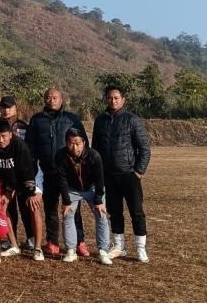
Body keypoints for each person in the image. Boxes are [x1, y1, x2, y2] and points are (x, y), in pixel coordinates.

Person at [92, 85, 152, 263]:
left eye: (116, 98)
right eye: (110, 97)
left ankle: (140, 248)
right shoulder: (100, 121)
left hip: (128, 174)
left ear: (123, 100)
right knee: (115, 212)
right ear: (106, 99)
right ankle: (119, 246)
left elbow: (145, 148)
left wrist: (138, 171)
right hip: (108, 176)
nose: (113, 100)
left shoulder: (132, 120)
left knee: (137, 212)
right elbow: (95, 150)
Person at [27, 87, 88, 256]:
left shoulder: (71, 119)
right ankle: (52, 242)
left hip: (69, 172)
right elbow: (30, 146)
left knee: (73, 209)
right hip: (47, 171)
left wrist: (80, 166)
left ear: (61, 100)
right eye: (48, 97)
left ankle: (79, 242)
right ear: (44, 100)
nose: (51, 100)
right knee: (51, 209)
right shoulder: (37, 120)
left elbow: (84, 144)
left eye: (55, 97)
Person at [0, 119, 44, 260]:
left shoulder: (20, 146)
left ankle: (38, 248)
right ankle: (14, 245)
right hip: (9, 181)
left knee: (34, 207)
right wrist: (5, 190)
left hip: (28, 178)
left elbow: (27, 171)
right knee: (2, 207)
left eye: (4, 136)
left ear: (11, 135)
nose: (0, 140)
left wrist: (30, 192)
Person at [55, 128, 113, 265]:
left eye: (78, 143)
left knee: (101, 214)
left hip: (92, 188)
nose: (74, 147)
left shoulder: (94, 156)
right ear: (66, 143)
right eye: (71, 143)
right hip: (72, 189)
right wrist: (66, 201)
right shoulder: (60, 156)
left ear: (84, 143)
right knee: (68, 214)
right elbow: (61, 180)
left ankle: (103, 251)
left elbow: (100, 180)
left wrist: (98, 200)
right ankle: (70, 250)